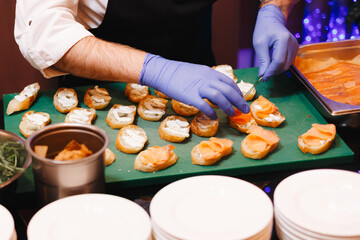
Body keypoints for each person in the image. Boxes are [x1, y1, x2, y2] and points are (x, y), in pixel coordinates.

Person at [14, 0, 299, 119]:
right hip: (103, 96)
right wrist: (158, 69)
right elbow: (43, 33)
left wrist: (274, 8)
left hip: (203, 79)